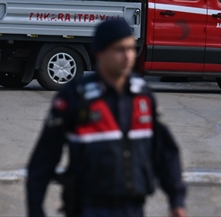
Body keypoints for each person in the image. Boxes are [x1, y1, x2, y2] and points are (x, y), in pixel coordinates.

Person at [27, 17, 186, 217]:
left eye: (130, 49)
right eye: (119, 49)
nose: (128, 56)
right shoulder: (75, 96)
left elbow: (166, 153)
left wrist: (177, 200)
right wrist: (35, 209)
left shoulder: (142, 97)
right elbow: (44, 158)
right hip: (89, 208)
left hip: (133, 208)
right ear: (99, 52)